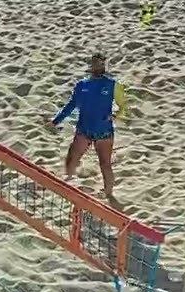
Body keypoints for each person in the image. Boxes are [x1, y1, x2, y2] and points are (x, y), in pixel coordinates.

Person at [48, 52, 128, 200]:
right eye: (96, 64)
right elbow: (71, 105)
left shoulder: (113, 85)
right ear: (91, 65)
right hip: (84, 129)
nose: (99, 66)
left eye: (102, 64)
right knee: (72, 156)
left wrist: (115, 115)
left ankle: (108, 192)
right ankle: (67, 182)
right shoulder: (82, 85)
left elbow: (123, 106)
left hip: (104, 131)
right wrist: (56, 121)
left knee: (105, 164)